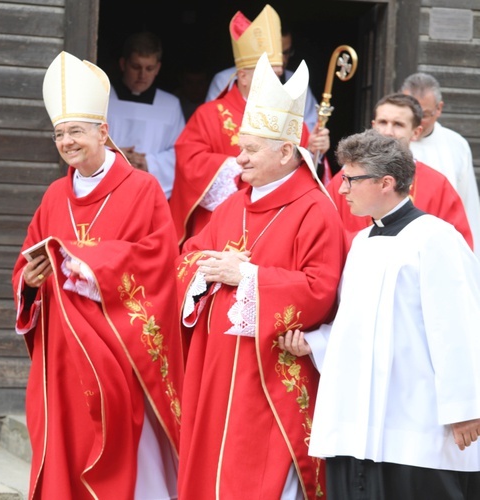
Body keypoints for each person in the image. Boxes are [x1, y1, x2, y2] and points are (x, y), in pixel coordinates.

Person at [12, 51, 183, 500]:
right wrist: (29, 281)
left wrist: (84, 260)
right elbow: (26, 261)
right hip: (60, 354)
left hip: (117, 349)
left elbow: (158, 260)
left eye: (76, 132)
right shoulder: (54, 195)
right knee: (60, 443)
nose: (67, 141)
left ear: (103, 132)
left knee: (122, 459)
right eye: (59, 133)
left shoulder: (142, 189)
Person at [175, 51, 346, 499]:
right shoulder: (233, 204)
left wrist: (247, 276)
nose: (239, 159)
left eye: (250, 149)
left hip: (268, 375)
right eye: (240, 147)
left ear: (286, 151)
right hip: (216, 369)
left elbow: (320, 289)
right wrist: (201, 272)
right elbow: (190, 254)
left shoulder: (315, 210)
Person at [281, 129, 480, 499]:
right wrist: (314, 343)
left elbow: (461, 327)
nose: (342, 190)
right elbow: (354, 324)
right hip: (358, 419)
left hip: (416, 421)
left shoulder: (436, 238)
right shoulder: (361, 242)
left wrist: (465, 406)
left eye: (351, 179)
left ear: (386, 182)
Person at [169, 4, 330, 245]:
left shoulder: (290, 121)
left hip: (278, 225)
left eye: (278, 75)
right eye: (267, 74)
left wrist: (315, 153)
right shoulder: (209, 114)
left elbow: (306, 178)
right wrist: (240, 171)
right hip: (220, 223)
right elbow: (189, 162)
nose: (276, 82)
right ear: (242, 76)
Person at [327, 93, 473, 248]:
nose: (388, 131)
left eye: (398, 124)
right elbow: (325, 236)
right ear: (373, 125)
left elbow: (457, 247)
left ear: (416, 132)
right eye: (383, 122)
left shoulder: (438, 185)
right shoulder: (344, 181)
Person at [401, 72, 480, 258]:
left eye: (423, 114)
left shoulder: (456, 145)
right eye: (409, 110)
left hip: (440, 251)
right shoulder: (384, 142)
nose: (415, 120)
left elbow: (468, 205)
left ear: (439, 109)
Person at [107, 32, 185, 199]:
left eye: (149, 68)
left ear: (158, 68)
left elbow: (181, 152)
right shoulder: (103, 99)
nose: (142, 75)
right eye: (136, 67)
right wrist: (113, 156)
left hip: (149, 191)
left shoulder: (170, 105)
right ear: (123, 64)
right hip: (108, 188)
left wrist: (148, 163)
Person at [205, 28, 319, 132]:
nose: (282, 60)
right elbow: (212, 124)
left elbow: (308, 130)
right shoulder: (224, 79)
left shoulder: (296, 81)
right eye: (276, 53)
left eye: (286, 53)